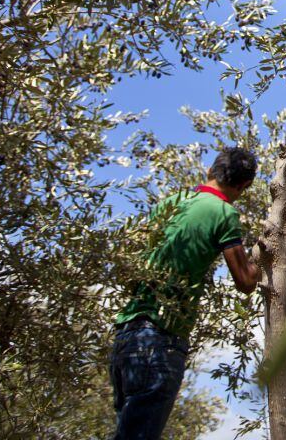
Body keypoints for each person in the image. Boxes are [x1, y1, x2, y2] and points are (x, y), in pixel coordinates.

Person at [109, 147, 261, 440]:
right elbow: (245, 282)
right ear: (243, 186)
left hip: (126, 338)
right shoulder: (223, 212)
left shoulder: (171, 203)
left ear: (209, 171)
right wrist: (262, 255)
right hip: (161, 339)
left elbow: (133, 260)